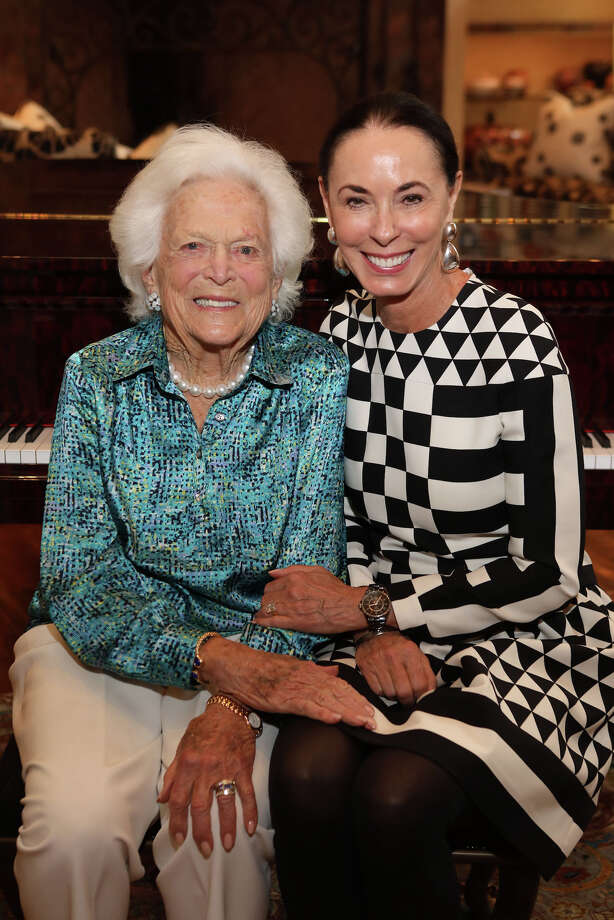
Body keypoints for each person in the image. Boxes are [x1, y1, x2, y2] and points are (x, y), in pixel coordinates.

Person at [255, 93, 614, 920]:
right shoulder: (333, 339)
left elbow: (548, 570)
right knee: (303, 776)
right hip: (369, 626)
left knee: (394, 798)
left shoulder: (517, 340)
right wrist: (371, 628)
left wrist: (380, 609)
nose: (384, 230)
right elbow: (329, 522)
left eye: (410, 197)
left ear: (453, 195)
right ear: (326, 203)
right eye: (358, 200)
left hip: (519, 634)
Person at [9, 124, 376, 920]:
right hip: (93, 655)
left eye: (246, 250)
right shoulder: (97, 376)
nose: (219, 272)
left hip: (253, 658)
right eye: (192, 247)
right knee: (73, 833)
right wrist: (213, 660)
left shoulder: (314, 376)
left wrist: (232, 707)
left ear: (277, 271)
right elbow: (78, 579)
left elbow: (308, 579)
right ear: (150, 267)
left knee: (221, 832)